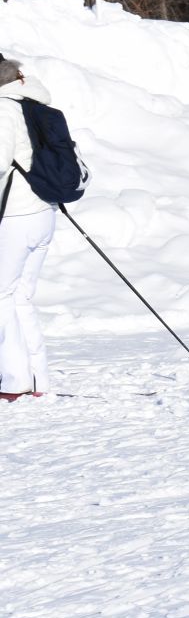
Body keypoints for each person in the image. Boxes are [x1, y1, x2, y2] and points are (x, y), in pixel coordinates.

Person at [0, 55, 55, 400]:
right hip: (44, 211)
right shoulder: (34, 103)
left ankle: (13, 381)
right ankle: (37, 379)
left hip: (16, 215)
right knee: (21, 296)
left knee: (2, 295)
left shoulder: (4, 109)